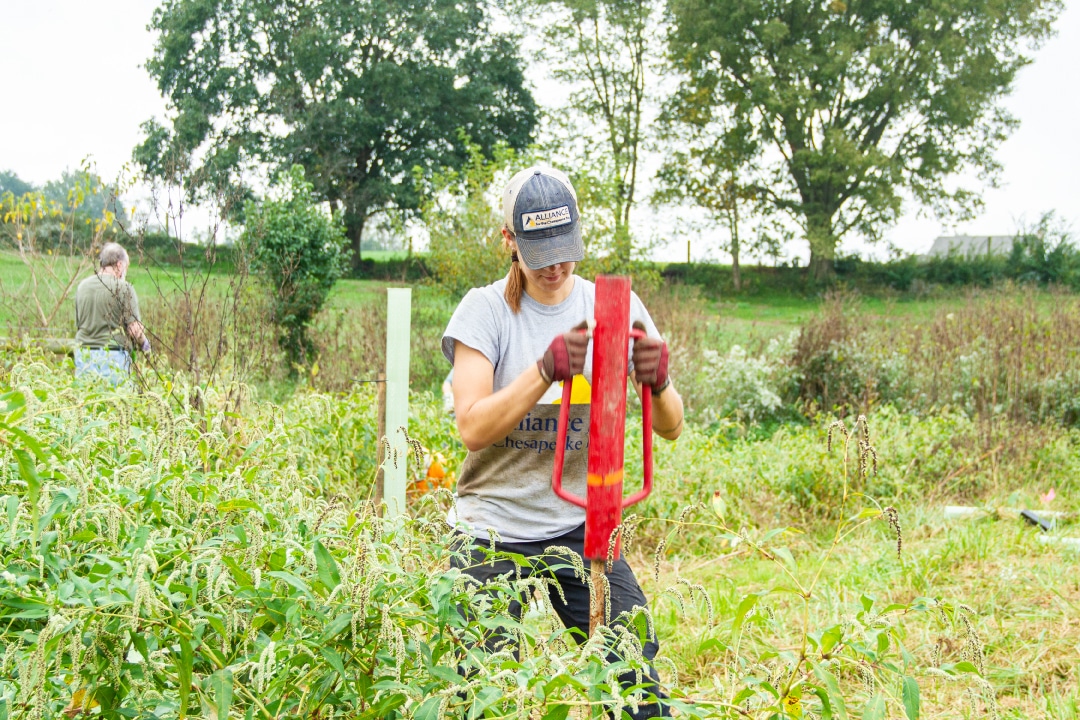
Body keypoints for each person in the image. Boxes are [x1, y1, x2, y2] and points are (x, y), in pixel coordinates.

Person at [442, 166, 684, 718]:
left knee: (638, 682)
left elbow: (671, 427)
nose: (555, 266)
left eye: (564, 249)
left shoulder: (614, 308)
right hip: (491, 530)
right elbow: (472, 427)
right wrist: (544, 370)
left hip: (583, 525)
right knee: (482, 698)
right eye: (538, 252)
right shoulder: (485, 312)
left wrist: (659, 381)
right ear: (509, 241)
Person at [74, 242, 151, 385]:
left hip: (83, 356)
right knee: (115, 405)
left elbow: (79, 324)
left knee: (87, 404)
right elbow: (135, 330)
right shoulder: (124, 288)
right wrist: (146, 346)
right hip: (114, 357)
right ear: (120, 265)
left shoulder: (82, 287)